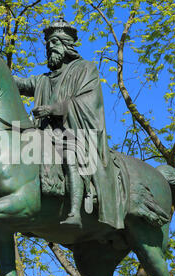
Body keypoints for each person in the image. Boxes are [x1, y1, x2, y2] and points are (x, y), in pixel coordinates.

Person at [13, 17, 125, 229]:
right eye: (47, 44)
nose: (49, 47)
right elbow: (19, 83)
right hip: (43, 134)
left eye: (54, 42)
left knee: (68, 153)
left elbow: (89, 102)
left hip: (74, 132)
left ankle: (75, 211)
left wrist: (52, 109)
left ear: (66, 45)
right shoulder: (43, 80)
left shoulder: (85, 69)